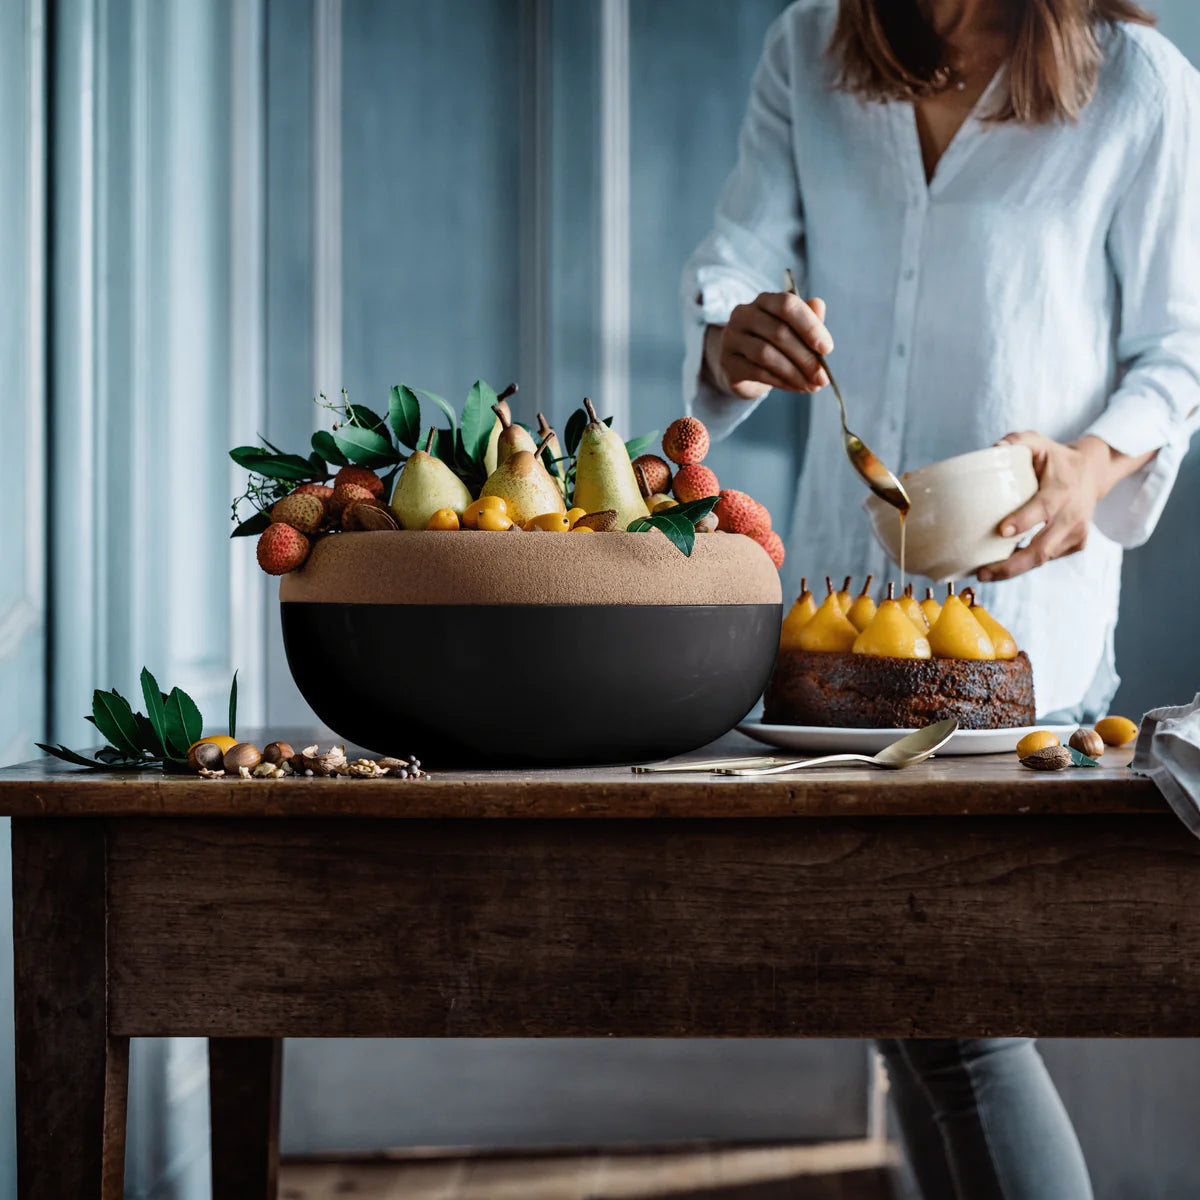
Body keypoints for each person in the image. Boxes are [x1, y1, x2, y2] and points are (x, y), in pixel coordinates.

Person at [681, 1, 1200, 1197]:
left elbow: (1179, 347)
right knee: (898, 1002)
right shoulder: (807, 47)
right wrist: (735, 335)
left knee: (963, 1013)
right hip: (834, 617)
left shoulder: (1140, 86)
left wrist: (1093, 468)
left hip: (1020, 621)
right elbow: (737, 262)